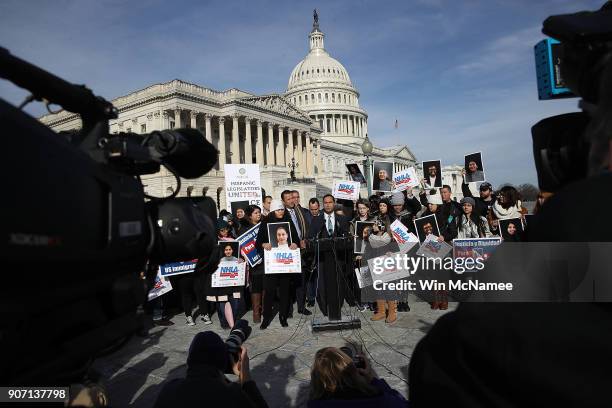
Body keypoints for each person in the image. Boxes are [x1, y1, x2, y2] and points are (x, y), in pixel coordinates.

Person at [153, 332, 268, 408]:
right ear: (222, 363)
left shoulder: (169, 390)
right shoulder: (232, 396)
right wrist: (245, 377)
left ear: (190, 361)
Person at [307, 347, 407, 407]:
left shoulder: (315, 404)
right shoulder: (381, 400)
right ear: (353, 370)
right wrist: (371, 377)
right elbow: (401, 403)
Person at [255, 199, 300, 329]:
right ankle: (266, 317)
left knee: (285, 291)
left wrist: (294, 244)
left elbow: (296, 239)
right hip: (271, 264)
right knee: (269, 291)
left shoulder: (288, 221)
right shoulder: (265, 222)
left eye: (282, 209)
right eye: (278, 209)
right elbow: (258, 243)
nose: (281, 212)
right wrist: (264, 244)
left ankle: (283, 316)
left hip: (285, 264)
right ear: (273, 210)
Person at [307, 194, 352, 320]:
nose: (327, 204)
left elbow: (347, 237)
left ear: (334, 203)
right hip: (323, 259)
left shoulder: (341, 219)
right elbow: (310, 237)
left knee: (339, 283)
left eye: (330, 202)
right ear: (323, 204)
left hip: (338, 258)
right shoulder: (317, 220)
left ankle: (337, 306)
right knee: (323, 284)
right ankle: (326, 307)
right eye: (325, 202)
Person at [283, 190, 312, 316]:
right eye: (289, 199)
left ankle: (301, 306)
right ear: (284, 201)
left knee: (301, 280)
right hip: (288, 251)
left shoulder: (300, 211)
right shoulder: (282, 213)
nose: (292, 201)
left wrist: (304, 240)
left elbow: (305, 228)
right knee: (288, 282)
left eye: (293, 198)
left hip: (302, 251)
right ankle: (288, 309)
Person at [245, 205, 264, 323]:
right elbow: (242, 246)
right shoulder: (245, 229)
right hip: (254, 263)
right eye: (256, 213)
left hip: (265, 261)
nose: (258, 214)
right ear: (250, 215)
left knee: (266, 286)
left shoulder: (263, 225)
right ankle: (256, 313)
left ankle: (264, 310)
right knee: (256, 287)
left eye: (259, 212)